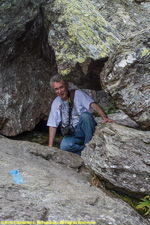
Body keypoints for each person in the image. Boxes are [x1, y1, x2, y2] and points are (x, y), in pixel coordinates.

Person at [47, 74, 115, 155]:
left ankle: (89, 146)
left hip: (84, 129)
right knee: (64, 147)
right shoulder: (56, 103)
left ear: (66, 85)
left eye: (61, 87)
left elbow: (94, 105)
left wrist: (105, 118)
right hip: (72, 133)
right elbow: (52, 125)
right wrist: (50, 146)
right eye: (56, 89)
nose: (60, 91)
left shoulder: (77, 94)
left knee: (85, 116)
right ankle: (85, 151)